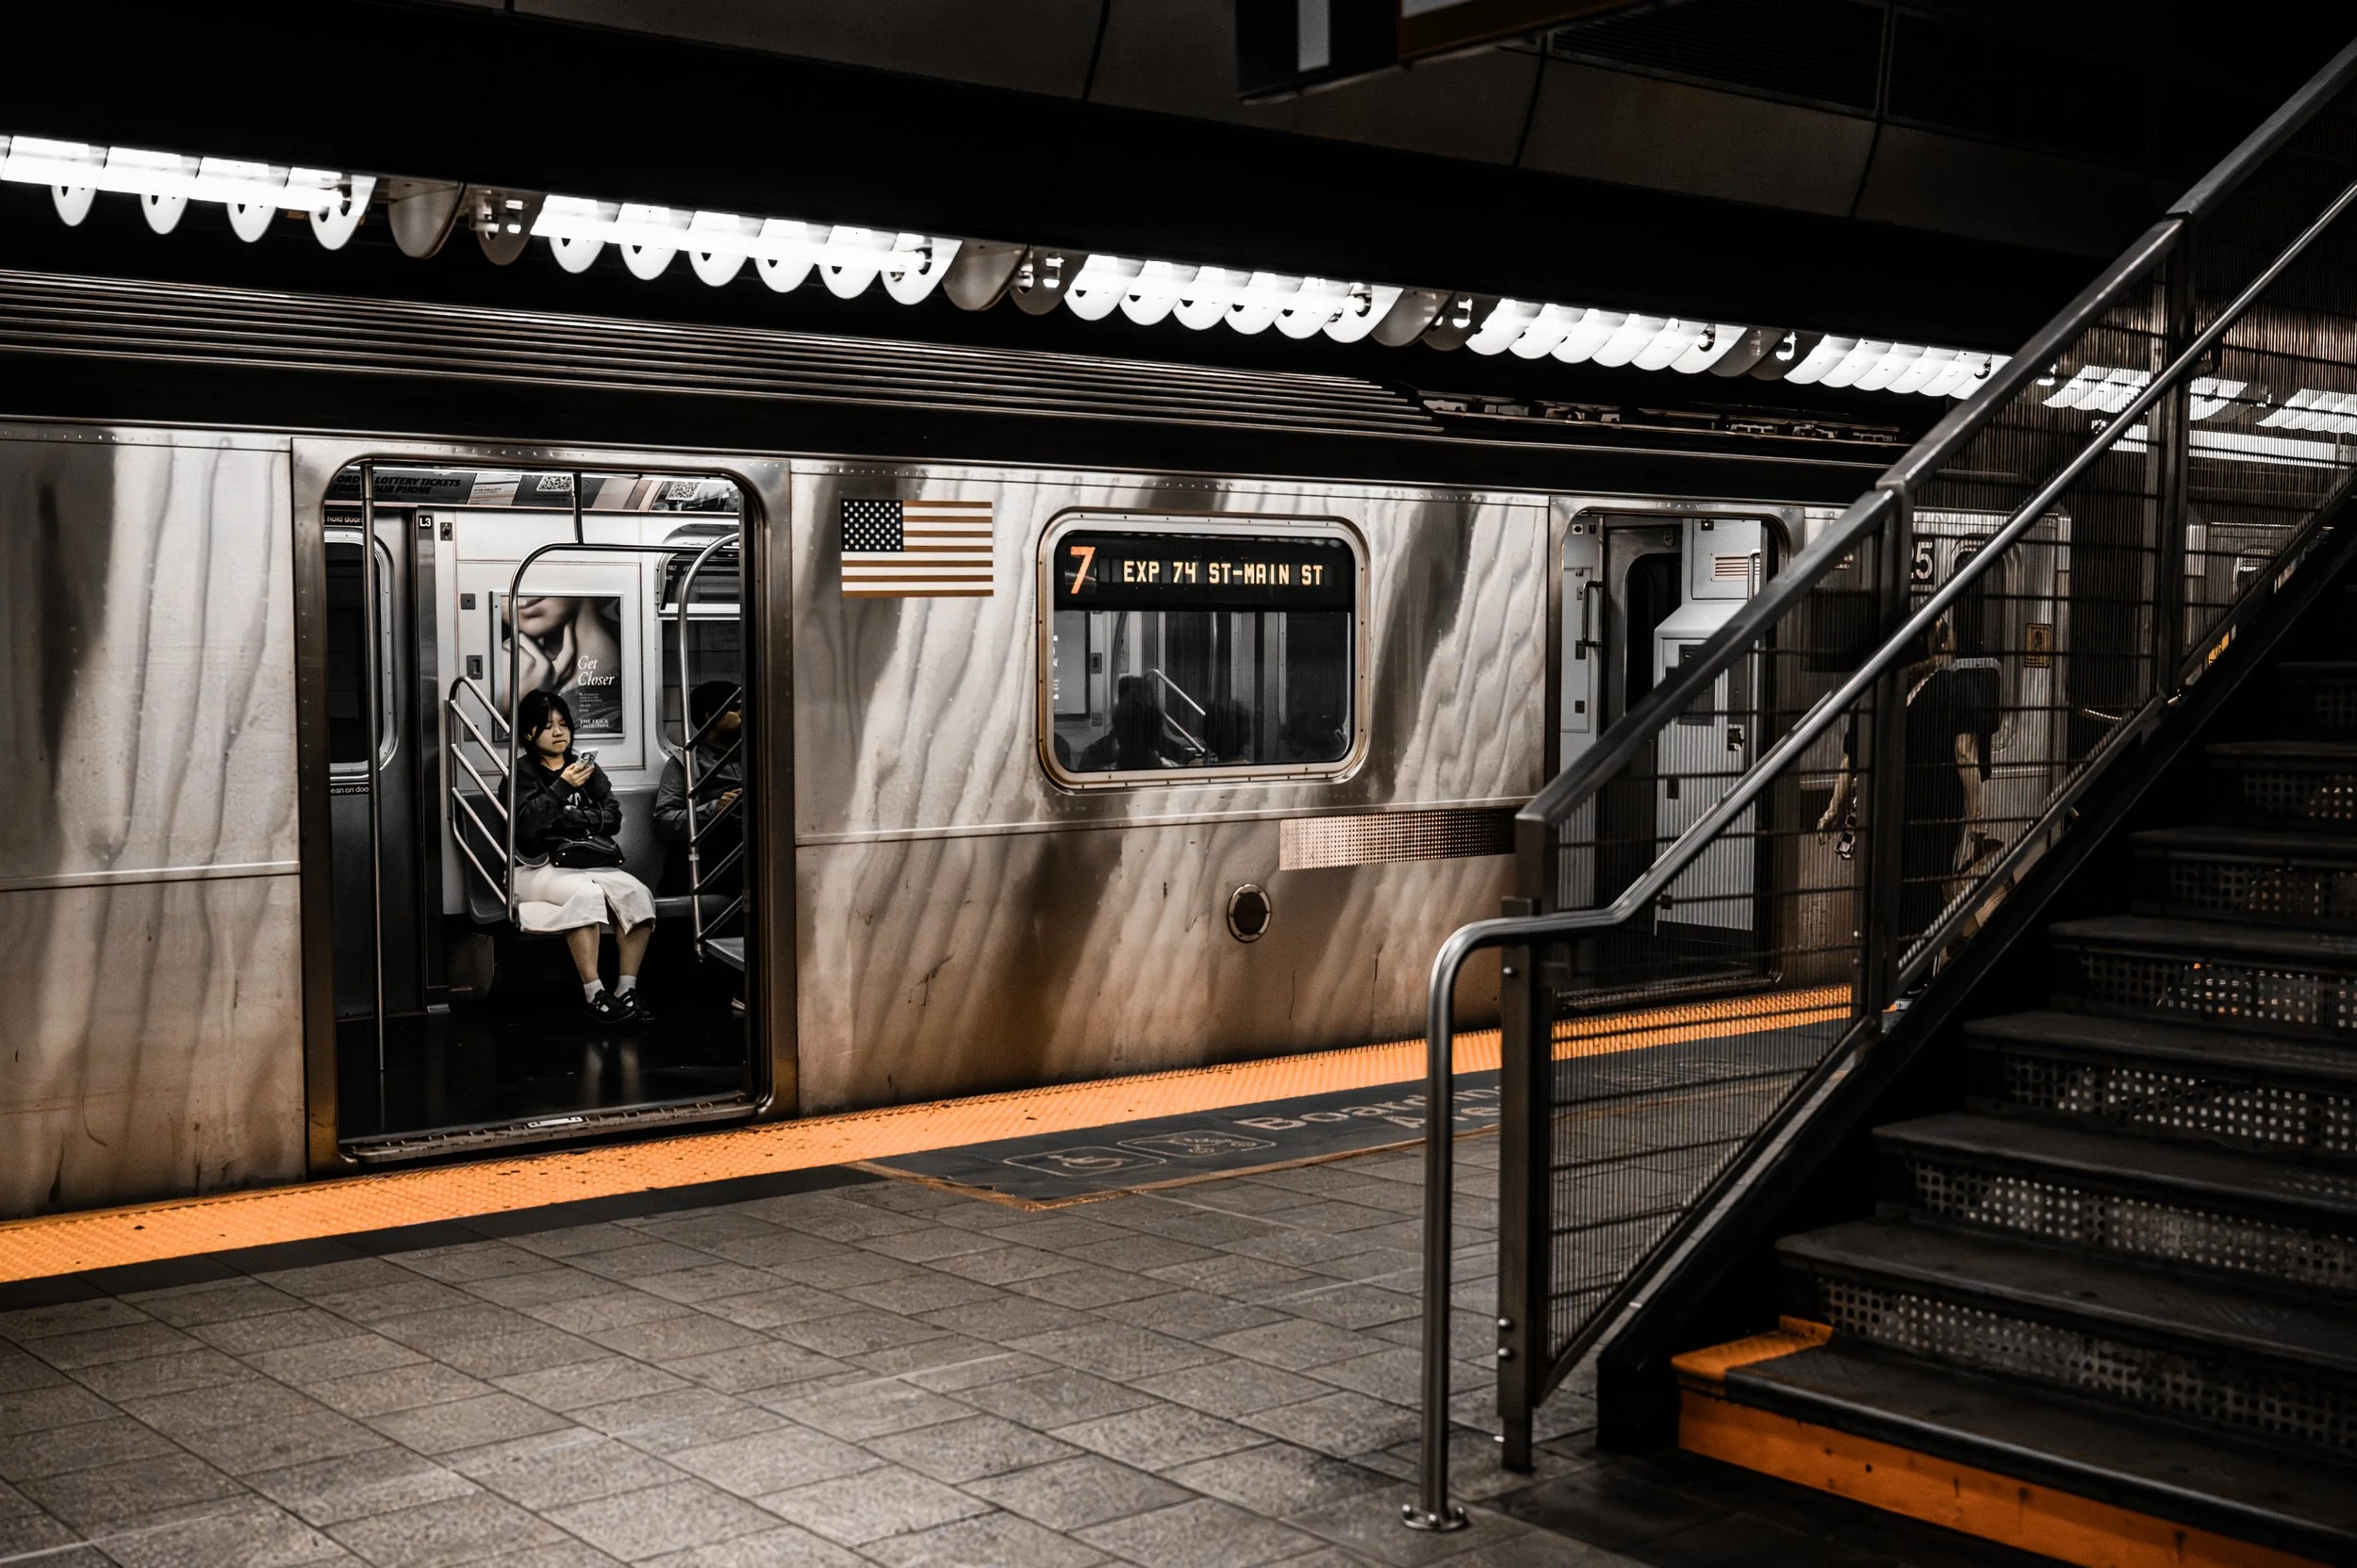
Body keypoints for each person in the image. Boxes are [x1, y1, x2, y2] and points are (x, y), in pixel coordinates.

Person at [1819, 618, 2002, 943]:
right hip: (1934, 816)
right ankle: (1917, 976)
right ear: (1940, 646)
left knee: (1888, 892)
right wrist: (1977, 817)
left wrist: (1833, 809)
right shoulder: (1956, 689)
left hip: (1883, 815)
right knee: (1927, 893)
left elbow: (1852, 758)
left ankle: (1886, 965)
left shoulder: (1874, 696)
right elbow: (1964, 754)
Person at [510, 689, 656, 1021]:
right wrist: (563, 787)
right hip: (539, 866)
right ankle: (594, 994)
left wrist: (570, 817)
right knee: (586, 895)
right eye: (548, 726)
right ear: (528, 733)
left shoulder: (586, 767)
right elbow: (524, 826)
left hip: (589, 859)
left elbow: (614, 817)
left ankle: (625, 990)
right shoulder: (522, 773)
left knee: (638, 895)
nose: (559, 732)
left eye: (563, 724)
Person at [655, 681, 744, 898]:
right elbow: (664, 821)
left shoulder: (760, 755)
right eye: (735, 708)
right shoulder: (685, 763)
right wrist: (715, 808)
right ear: (710, 716)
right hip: (713, 853)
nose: (743, 713)